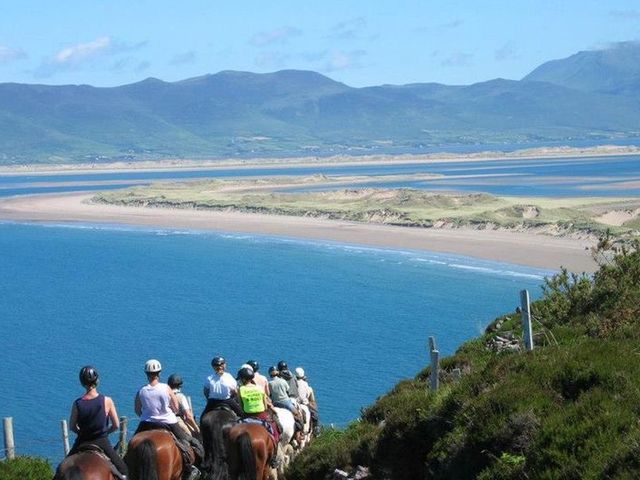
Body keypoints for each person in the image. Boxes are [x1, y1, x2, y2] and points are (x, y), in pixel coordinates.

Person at [134, 359, 202, 480]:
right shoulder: (166, 388)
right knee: (191, 443)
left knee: (132, 446)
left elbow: (137, 410)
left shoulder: (141, 391)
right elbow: (175, 408)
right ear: (159, 373)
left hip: (146, 423)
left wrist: (147, 415)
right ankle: (190, 468)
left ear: (146, 374)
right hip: (168, 423)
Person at [61, 366, 128, 479]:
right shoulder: (107, 401)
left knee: (61, 469)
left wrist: (81, 433)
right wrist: (105, 432)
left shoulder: (77, 404)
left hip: (82, 441)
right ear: (97, 380)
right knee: (124, 470)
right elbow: (116, 425)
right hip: (102, 441)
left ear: (82, 383)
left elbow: (72, 427)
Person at [237, 366, 281, 468]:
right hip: (262, 415)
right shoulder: (260, 388)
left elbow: (241, 405)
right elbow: (265, 405)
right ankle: (274, 457)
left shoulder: (241, 389)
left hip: (247, 415)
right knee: (275, 431)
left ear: (243, 379)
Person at [168, 373, 201, 438]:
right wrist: (196, 428)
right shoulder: (181, 397)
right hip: (177, 420)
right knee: (192, 438)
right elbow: (188, 416)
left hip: (163, 420)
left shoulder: (164, 395)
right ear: (180, 386)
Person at [295, 367, 320, 435]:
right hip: (303, 403)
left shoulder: (293, 382)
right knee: (314, 412)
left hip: (295, 402)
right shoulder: (305, 384)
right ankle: (316, 428)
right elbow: (307, 394)